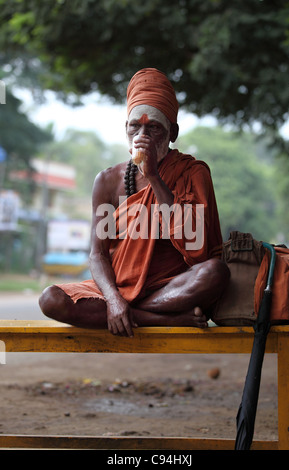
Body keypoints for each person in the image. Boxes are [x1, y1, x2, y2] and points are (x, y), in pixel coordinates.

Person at [39, 68, 230, 337]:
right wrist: (114, 299)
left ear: (172, 133)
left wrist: (153, 176)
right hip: (119, 287)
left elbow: (197, 249)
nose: (143, 135)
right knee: (51, 299)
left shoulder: (192, 173)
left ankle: (136, 311)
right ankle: (159, 319)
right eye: (135, 126)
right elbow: (98, 254)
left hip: (171, 288)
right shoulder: (107, 181)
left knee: (215, 273)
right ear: (125, 130)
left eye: (154, 128)